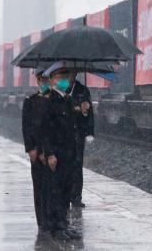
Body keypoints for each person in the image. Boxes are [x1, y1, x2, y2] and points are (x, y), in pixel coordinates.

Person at [40, 64, 81, 241]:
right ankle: (55, 227)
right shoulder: (50, 100)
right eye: (59, 78)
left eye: (66, 78)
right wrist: (49, 154)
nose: (63, 81)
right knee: (55, 191)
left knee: (65, 190)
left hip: (68, 153)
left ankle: (63, 224)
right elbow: (45, 130)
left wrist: (83, 111)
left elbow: (73, 126)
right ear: (52, 80)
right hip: (56, 154)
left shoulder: (67, 99)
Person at [22, 68, 51, 231]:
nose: (44, 82)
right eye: (42, 79)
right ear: (37, 81)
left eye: (47, 79)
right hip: (36, 149)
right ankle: (41, 219)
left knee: (53, 186)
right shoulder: (30, 101)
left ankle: (52, 217)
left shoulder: (55, 100)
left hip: (52, 149)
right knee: (39, 185)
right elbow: (26, 127)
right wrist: (31, 148)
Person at [67, 71, 94, 208]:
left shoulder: (83, 90)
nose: (69, 77)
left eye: (71, 74)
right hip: (64, 133)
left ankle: (76, 197)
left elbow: (90, 113)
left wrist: (90, 132)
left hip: (78, 132)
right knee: (65, 165)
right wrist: (76, 108)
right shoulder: (60, 88)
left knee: (77, 165)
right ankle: (65, 195)